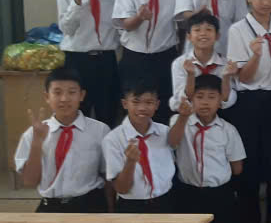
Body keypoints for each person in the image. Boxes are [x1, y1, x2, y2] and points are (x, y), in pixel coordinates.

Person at [225, 0, 271, 222]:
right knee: (249, 169)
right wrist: (255, 55)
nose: (266, 2)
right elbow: (244, 78)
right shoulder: (238, 30)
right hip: (249, 104)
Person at [15, 67, 112, 213]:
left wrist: (111, 212)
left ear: (82, 95)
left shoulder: (100, 130)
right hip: (52, 206)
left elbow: (108, 176)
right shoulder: (33, 133)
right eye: (57, 92)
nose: (64, 99)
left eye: (71, 92)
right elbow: (29, 181)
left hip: (91, 204)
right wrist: (37, 142)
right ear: (47, 97)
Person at [114, 0, 179, 123]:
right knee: (133, 109)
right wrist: (139, 18)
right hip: (134, 59)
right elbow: (126, 25)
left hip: (165, 58)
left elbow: (184, 26)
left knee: (164, 110)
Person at [57, 0, 120, 124]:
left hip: (106, 59)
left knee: (107, 113)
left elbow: (118, 23)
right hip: (77, 60)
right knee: (77, 114)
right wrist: (77, 2)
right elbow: (66, 29)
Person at [167, 75, 246, 222]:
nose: (205, 102)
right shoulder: (178, 121)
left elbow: (237, 168)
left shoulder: (228, 130)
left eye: (211, 97)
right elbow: (172, 143)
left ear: (220, 101)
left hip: (220, 194)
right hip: (187, 192)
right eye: (199, 96)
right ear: (191, 99)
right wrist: (183, 118)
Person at [103, 77, 176, 213]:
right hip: (131, 207)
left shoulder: (165, 132)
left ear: (157, 105)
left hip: (165, 201)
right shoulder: (113, 139)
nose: (142, 108)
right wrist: (130, 162)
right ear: (125, 104)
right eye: (136, 102)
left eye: (149, 102)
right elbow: (121, 189)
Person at [168, 13, 237, 115]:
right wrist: (190, 76)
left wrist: (226, 78)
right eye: (197, 30)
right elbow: (181, 100)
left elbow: (226, 101)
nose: (203, 34)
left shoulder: (226, 64)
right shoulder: (179, 63)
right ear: (189, 36)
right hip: (188, 114)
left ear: (217, 36)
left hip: (220, 115)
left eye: (209, 29)